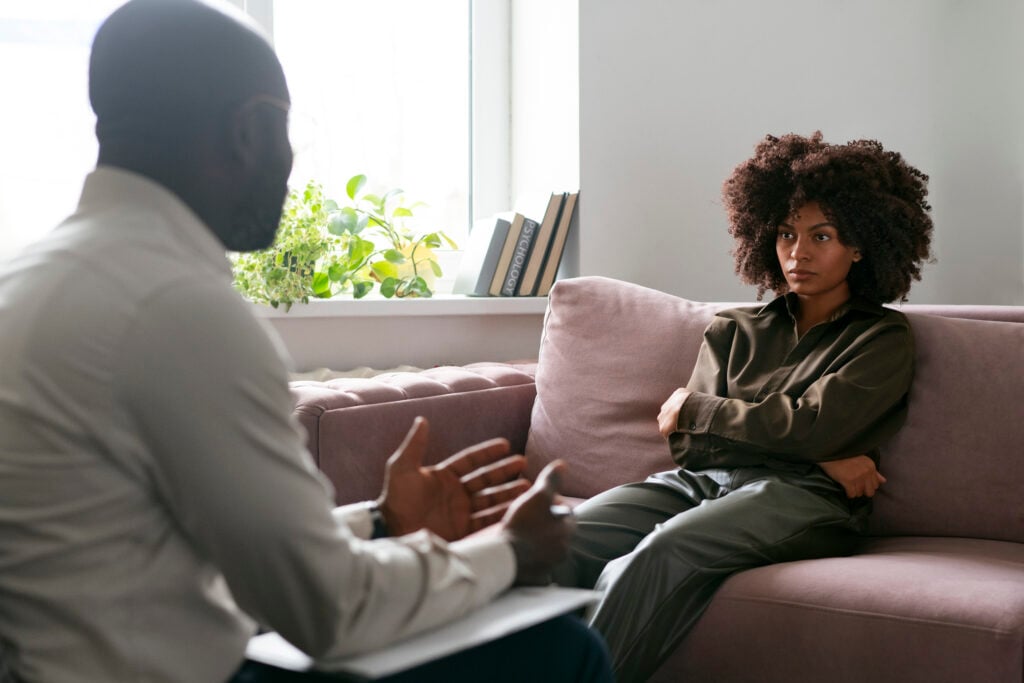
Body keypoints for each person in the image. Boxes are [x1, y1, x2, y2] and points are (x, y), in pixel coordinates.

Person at [0, 1, 611, 682]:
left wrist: (380, 521)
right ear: (246, 130)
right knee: (563, 652)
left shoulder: (29, 280)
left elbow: (175, 551)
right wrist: (510, 549)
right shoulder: (182, 311)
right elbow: (332, 608)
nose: (291, 162)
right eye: (287, 128)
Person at [552, 131, 935, 681]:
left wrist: (705, 411)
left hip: (805, 500)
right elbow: (688, 443)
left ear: (860, 246)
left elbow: (807, 426)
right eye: (785, 234)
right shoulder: (734, 328)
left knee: (658, 554)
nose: (797, 253)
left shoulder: (881, 338)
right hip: (705, 480)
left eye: (821, 236)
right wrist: (819, 451)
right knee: (559, 535)